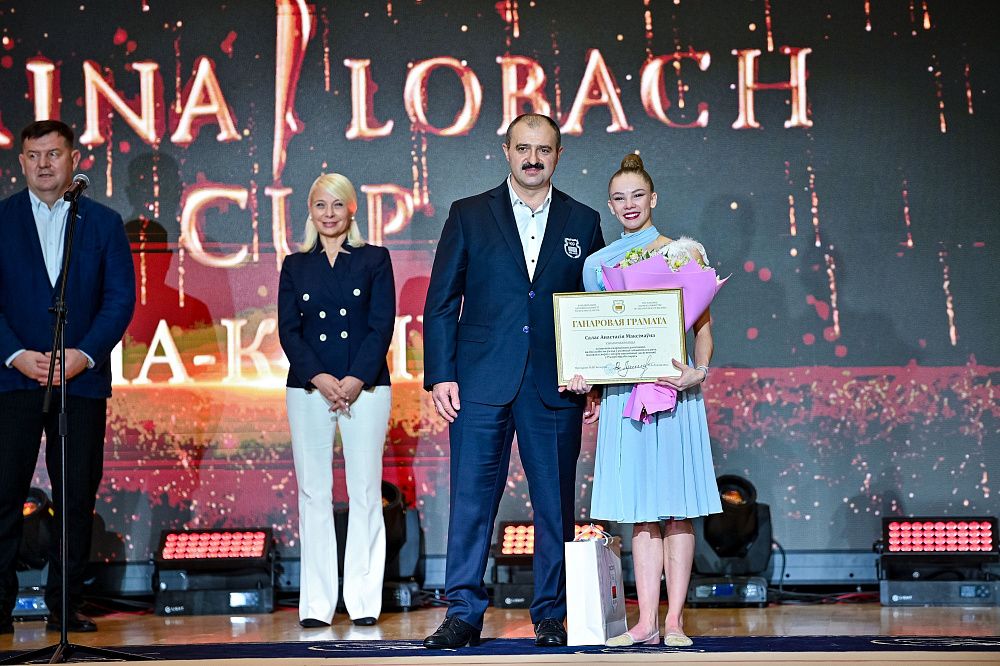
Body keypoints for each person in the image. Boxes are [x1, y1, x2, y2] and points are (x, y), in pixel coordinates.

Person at [422, 113, 605, 649]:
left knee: (555, 504)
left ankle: (550, 613)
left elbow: (593, 308)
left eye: (543, 150)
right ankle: (463, 613)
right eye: (523, 148)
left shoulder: (583, 219)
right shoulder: (469, 214)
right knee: (471, 499)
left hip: (555, 384)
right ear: (506, 151)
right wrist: (441, 374)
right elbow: (441, 302)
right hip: (479, 380)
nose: (532, 159)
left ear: (558, 155)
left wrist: (594, 378)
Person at [576, 154, 722, 647]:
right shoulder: (599, 265)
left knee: (677, 509)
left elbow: (703, 330)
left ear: (653, 198)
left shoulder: (683, 255)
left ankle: (675, 621)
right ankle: (646, 622)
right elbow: (596, 334)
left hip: (675, 393)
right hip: (626, 396)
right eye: (619, 198)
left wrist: (698, 372)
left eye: (637, 195)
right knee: (640, 512)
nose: (629, 204)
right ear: (610, 206)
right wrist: (591, 382)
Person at [0, 120, 135, 633]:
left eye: (53, 154)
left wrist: (84, 354)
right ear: (21, 163)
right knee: (3, 495)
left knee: (75, 497)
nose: (43, 165)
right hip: (12, 380)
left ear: (74, 160)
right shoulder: (3, 219)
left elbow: (119, 299)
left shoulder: (102, 222)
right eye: (33, 156)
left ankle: (65, 605)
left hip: (79, 382)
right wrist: (14, 353)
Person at [277, 173, 395, 629]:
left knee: (365, 492)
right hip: (309, 388)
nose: (329, 214)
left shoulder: (374, 258)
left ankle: (364, 601)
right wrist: (322, 378)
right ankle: (317, 604)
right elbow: (289, 330)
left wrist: (354, 379)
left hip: (366, 386)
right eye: (320, 205)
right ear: (309, 211)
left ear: (352, 209)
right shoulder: (295, 265)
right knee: (313, 493)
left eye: (337, 204)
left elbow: (381, 325)